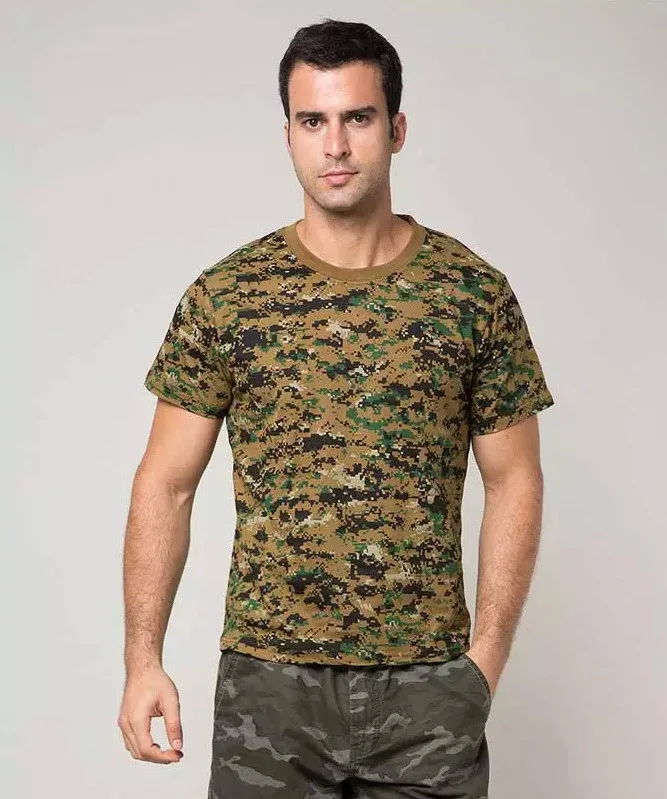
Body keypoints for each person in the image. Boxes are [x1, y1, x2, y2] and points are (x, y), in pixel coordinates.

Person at [117, 18, 555, 798]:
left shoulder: (472, 294)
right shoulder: (227, 296)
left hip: (427, 692)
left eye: (358, 117)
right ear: (287, 135)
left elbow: (514, 477)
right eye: (312, 121)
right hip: (269, 690)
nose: (337, 145)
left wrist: (482, 663)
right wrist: (141, 658)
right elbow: (167, 483)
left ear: (396, 129)